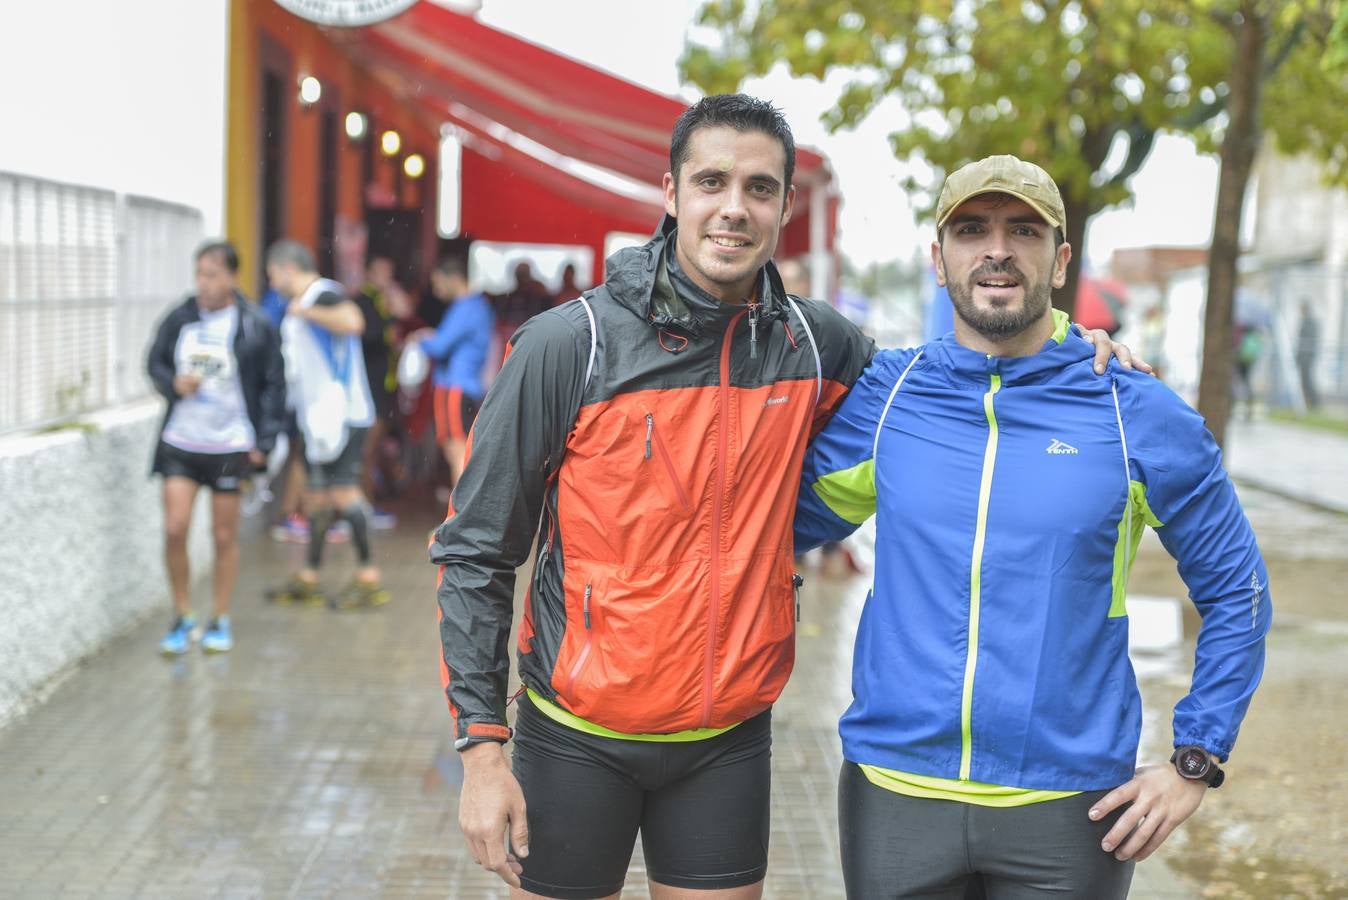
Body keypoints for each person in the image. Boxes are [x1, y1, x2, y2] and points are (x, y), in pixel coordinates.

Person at [795, 154, 1271, 899]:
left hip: (1070, 809)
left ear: (1060, 261)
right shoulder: (890, 396)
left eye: (1023, 230)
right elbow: (764, 523)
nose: (997, 249)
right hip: (894, 793)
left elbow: (1237, 590)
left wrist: (1195, 763)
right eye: (971, 229)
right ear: (938, 257)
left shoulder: (1131, 408)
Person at [146, 239, 286, 654]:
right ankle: (182, 614)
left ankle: (219, 618)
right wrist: (172, 383)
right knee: (175, 529)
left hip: (228, 445)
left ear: (230, 277)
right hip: (180, 442)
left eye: (211, 274)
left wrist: (264, 441)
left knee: (223, 537)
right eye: (199, 274)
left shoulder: (253, 323)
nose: (203, 283)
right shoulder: (181, 317)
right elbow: (153, 361)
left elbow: (273, 385)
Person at [265, 239, 388, 610]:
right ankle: (310, 576)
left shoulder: (323, 295)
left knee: (343, 493)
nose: (272, 284)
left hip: (344, 415)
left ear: (288, 269)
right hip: (315, 418)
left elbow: (353, 321)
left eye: (272, 275)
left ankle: (369, 577)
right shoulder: (303, 304)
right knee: (316, 496)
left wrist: (306, 311)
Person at [414, 256, 494, 487]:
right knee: (464, 449)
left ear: (456, 280)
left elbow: (439, 346)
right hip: (468, 385)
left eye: (439, 283)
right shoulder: (479, 306)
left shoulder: (465, 307)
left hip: (455, 386)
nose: (436, 290)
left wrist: (419, 338)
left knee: (456, 451)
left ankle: (461, 517)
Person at [1296, 299, 1319, 411]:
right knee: (1304, 380)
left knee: (1307, 380)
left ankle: (1314, 402)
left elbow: (1307, 341)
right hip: (1303, 357)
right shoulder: (1306, 321)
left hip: (1307, 357)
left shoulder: (1310, 322)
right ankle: (1308, 402)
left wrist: (1303, 356)